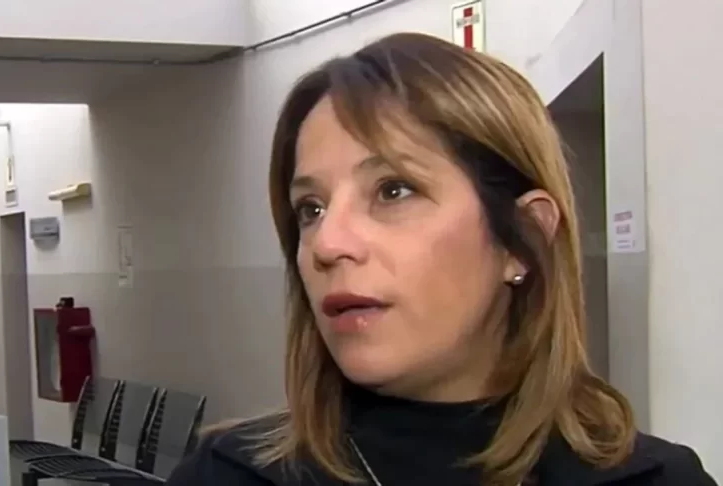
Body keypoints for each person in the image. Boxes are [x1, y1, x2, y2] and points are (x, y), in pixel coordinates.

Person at [165, 32, 717, 486]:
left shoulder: (658, 480)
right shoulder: (226, 476)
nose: (328, 244)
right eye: (311, 208)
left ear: (522, 238)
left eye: (393, 190)